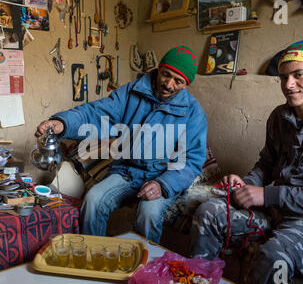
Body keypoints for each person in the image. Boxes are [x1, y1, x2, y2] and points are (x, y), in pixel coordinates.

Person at [190, 40, 303, 284]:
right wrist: (247, 183)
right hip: (275, 210)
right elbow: (266, 164)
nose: (288, 85)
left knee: (272, 256)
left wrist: (267, 194)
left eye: (298, 75)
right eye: (283, 78)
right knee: (209, 212)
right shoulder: (279, 116)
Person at [35, 45, 207, 244]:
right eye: (165, 75)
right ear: (158, 69)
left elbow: (192, 161)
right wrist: (62, 123)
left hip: (162, 176)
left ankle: (144, 270)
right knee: (93, 200)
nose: (168, 84)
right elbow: (96, 113)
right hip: (127, 171)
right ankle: (92, 259)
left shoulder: (193, 113)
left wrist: (163, 185)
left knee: (148, 213)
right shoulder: (132, 92)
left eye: (178, 81)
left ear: (186, 85)